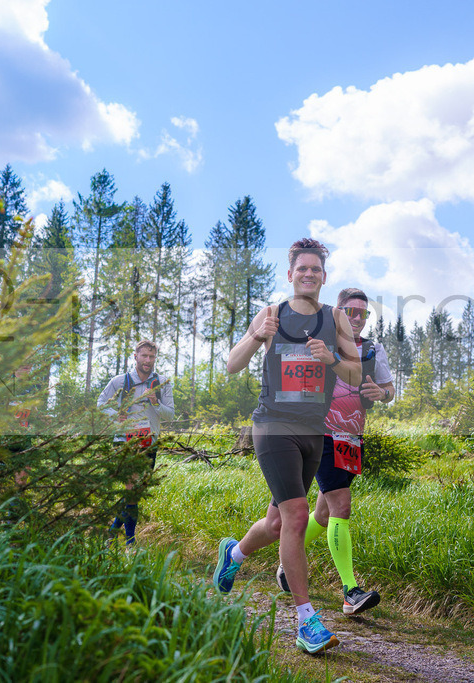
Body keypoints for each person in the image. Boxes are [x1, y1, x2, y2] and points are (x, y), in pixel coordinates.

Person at [211, 238, 360, 655]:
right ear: (291, 274)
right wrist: (258, 336)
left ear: (324, 277)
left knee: (277, 523)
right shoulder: (272, 314)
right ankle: (306, 621)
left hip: (314, 431)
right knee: (296, 516)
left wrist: (330, 359)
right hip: (273, 425)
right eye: (302, 268)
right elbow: (231, 362)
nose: (309, 274)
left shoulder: (336, 319)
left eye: (316, 269)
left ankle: (234, 554)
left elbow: (353, 371)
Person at [275, 287, 394, 616]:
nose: (356, 318)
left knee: (325, 514)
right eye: (350, 311)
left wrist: (380, 393)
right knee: (341, 506)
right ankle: (350, 592)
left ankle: (287, 564)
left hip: (352, 438)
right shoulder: (317, 342)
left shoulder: (372, 349)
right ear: (337, 312)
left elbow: (389, 389)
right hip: (320, 433)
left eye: (362, 314)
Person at [96, 340, 175, 545]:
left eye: (151, 356)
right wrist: (116, 415)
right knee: (131, 488)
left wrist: (156, 402)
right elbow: (101, 403)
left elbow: (170, 415)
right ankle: (130, 542)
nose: (148, 360)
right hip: (126, 440)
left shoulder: (163, 382)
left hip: (150, 441)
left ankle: (112, 532)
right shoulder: (120, 381)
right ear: (135, 356)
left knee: (135, 492)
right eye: (144, 356)